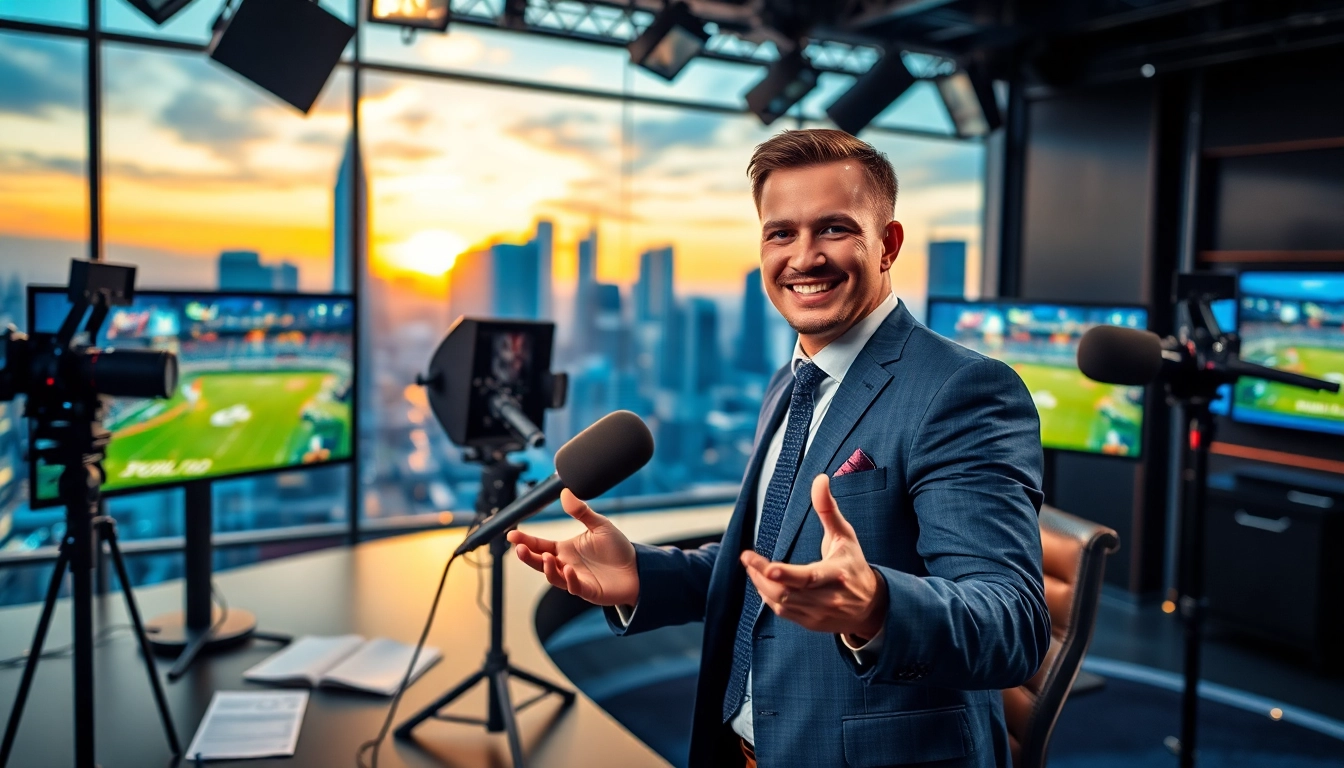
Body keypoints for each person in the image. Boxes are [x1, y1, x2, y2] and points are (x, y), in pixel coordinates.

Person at [507, 128, 1050, 768]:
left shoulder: (962, 389)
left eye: (835, 229)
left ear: (888, 245)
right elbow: (773, 560)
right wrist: (644, 576)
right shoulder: (792, 378)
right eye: (781, 233)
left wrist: (876, 604)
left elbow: (1012, 623)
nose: (804, 257)